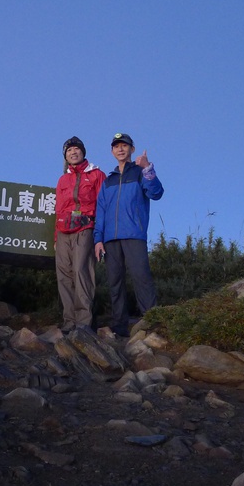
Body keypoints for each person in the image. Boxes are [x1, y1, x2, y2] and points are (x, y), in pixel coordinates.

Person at [93, 133, 164, 337]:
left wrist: (148, 167)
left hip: (134, 234)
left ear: (132, 149)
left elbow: (157, 193)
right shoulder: (108, 181)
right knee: (115, 282)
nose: (120, 149)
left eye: (124, 145)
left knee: (142, 277)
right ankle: (119, 326)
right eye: (116, 146)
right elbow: (101, 212)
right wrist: (98, 239)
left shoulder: (140, 172)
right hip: (110, 239)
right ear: (112, 151)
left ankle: (152, 322)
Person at [54, 136, 106, 332]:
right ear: (65, 156)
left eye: (76, 149)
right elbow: (58, 209)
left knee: (81, 272)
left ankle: (83, 323)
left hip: (85, 228)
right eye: (69, 151)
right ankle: (69, 322)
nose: (73, 152)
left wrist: (100, 236)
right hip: (63, 231)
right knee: (64, 276)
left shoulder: (96, 174)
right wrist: (55, 238)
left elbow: (103, 206)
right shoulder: (63, 179)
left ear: (83, 152)